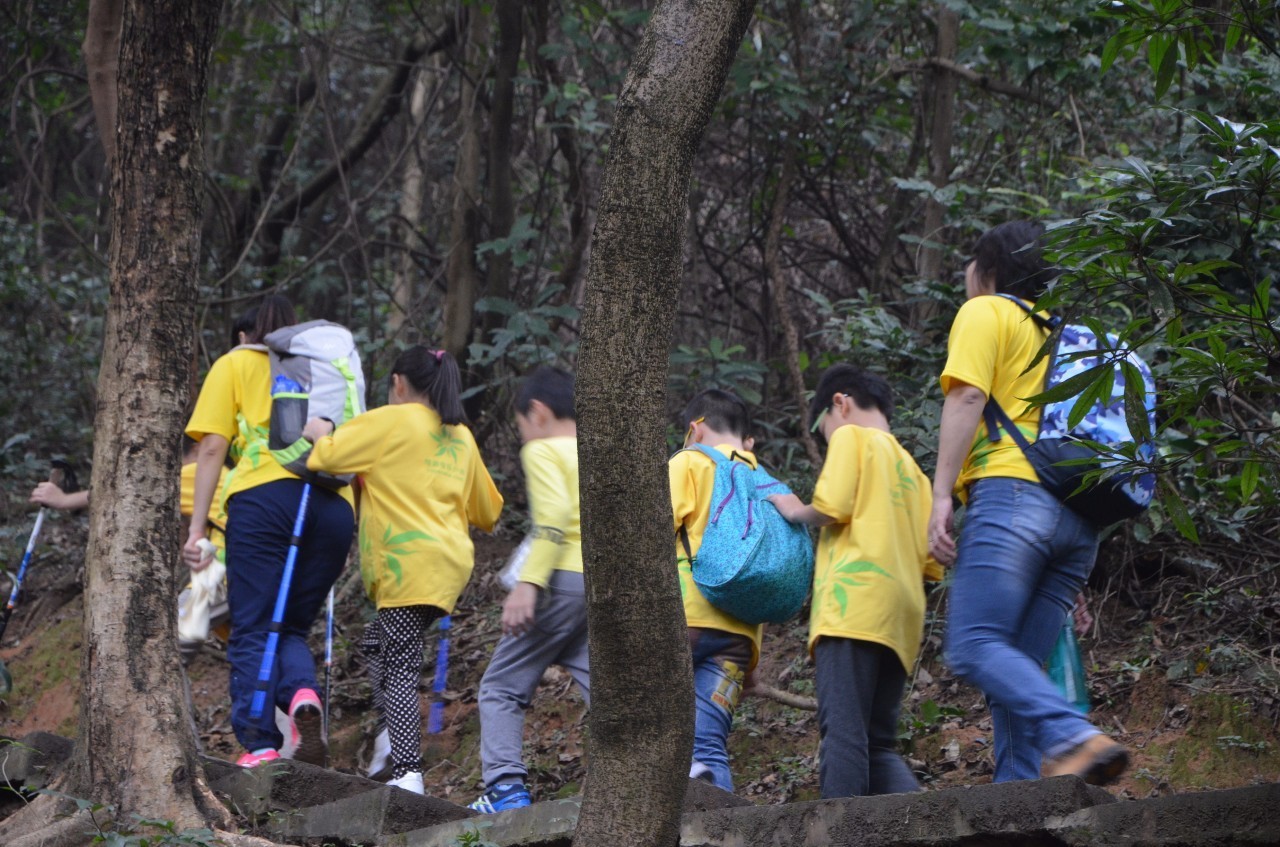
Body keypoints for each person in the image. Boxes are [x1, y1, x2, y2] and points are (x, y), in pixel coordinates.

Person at [928, 221, 1129, 785]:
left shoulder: (986, 312)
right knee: (1016, 665)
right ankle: (1016, 796)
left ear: (987, 270)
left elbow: (968, 395)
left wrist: (942, 494)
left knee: (973, 643)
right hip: (1076, 524)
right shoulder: (1071, 334)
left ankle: (1072, 733)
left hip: (1012, 500)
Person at [302, 346, 504, 794]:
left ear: (398, 383)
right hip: (449, 567)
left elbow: (327, 459)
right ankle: (393, 735)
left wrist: (319, 432)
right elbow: (489, 510)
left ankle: (408, 772)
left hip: (407, 564)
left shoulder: (389, 420)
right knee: (378, 645)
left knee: (398, 664)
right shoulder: (461, 436)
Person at [182, 295, 356, 769]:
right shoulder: (321, 368)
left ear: (249, 332)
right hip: (334, 506)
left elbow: (214, 446)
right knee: (291, 627)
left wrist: (197, 530)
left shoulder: (237, 362)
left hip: (265, 498)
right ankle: (302, 695)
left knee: (252, 626)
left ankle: (260, 744)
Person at [768, 365, 941, 797]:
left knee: (844, 736)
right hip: (901, 620)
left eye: (820, 427)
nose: (825, 436)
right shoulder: (917, 475)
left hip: (853, 606)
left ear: (840, 404)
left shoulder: (850, 436)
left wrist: (793, 509)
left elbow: (831, 505)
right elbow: (931, 564)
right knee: (878, 745)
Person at [469, 366, 588, 813]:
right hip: (600, 586)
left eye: (520, 429)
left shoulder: (543, 450)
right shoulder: (598, 453)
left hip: (559, 580)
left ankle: (504, 789)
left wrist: (528, 585)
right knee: (608, 689)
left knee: (501, 686)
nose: (523, 438)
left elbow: (553, 518)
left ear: (537, 413)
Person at [668, 388, 763, 791]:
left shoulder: (689, 462)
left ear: (695, 429)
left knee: (655, 736)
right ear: (749, 442)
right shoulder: (764, 482)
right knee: (708, 747)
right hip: (739, 639)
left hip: (685, 620)